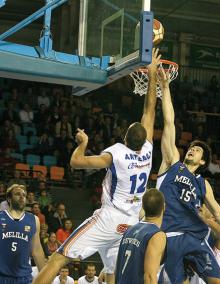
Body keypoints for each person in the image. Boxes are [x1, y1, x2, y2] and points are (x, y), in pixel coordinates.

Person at [33, 48, 161, 284]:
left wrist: (83, 143)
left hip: (109, 218)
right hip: (131, 222)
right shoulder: (149, 150)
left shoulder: (116, 154)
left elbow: (76, 162)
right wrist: (152, 73)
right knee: (112, 273)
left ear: (124, 137)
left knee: (58, 258)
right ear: (144, 139)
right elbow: (149, 109)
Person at [156, 69, 220, 284]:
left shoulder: (202, 184)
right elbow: (169, 122)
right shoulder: (172, 164)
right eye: (191, 148)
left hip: (197, 239)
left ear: (203, 161)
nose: (192, 150)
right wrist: (166, 88)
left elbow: (218, 212)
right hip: (171, 236)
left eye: (197, 150)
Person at [115, 188, 166, 284]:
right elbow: (150, 277)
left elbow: (117, 269)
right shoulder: (157, 235)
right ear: (164, 206)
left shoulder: (129, 230)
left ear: (142, 206)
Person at [0, 184, 46, 283]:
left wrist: (46, 277)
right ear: (9, 198)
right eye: (17, 194)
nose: (22, 197)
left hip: (23, 278)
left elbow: (37, 250)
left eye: (24, 195)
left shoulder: (34, 219)